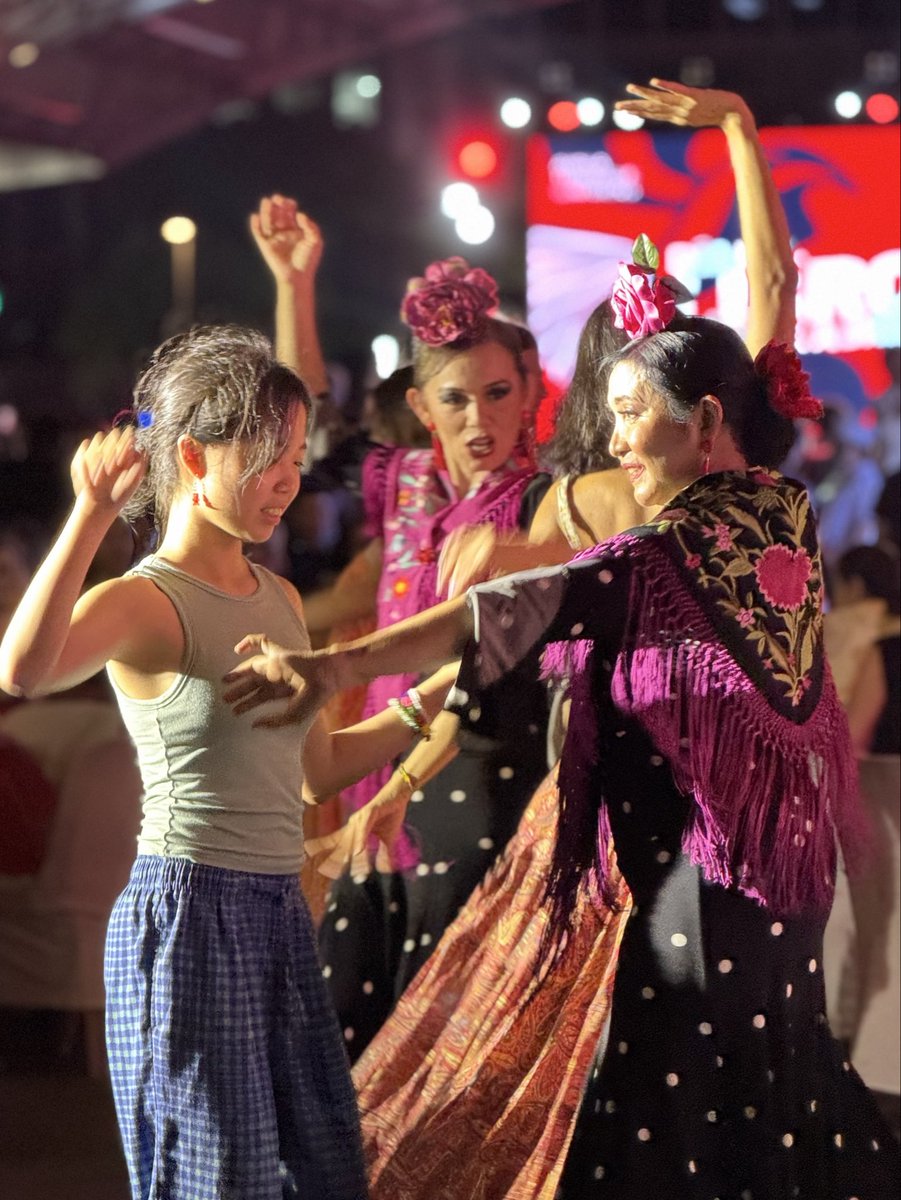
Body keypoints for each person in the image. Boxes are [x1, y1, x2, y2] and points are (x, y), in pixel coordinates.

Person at [226, 301, 899, 1196]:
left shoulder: (657, 553)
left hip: (693, 887)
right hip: (775, 884)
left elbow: (505, 611)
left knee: (670, 1098)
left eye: (629, 411)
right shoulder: (784, 512)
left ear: (703, 421)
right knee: (759, 1094)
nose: (611, 433)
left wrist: (329, 665)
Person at [0, 324, 463, 1199]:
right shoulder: (146, 599)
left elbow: (313, 773)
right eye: (265, 456)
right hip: (188, 914)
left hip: (275, 910)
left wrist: (435, 692)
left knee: (317, 1168)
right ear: (193, 457)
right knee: (218, 1181)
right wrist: (91, 513)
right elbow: (22, 672)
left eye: (295, 456)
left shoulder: (281, 596)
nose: (288, 481)